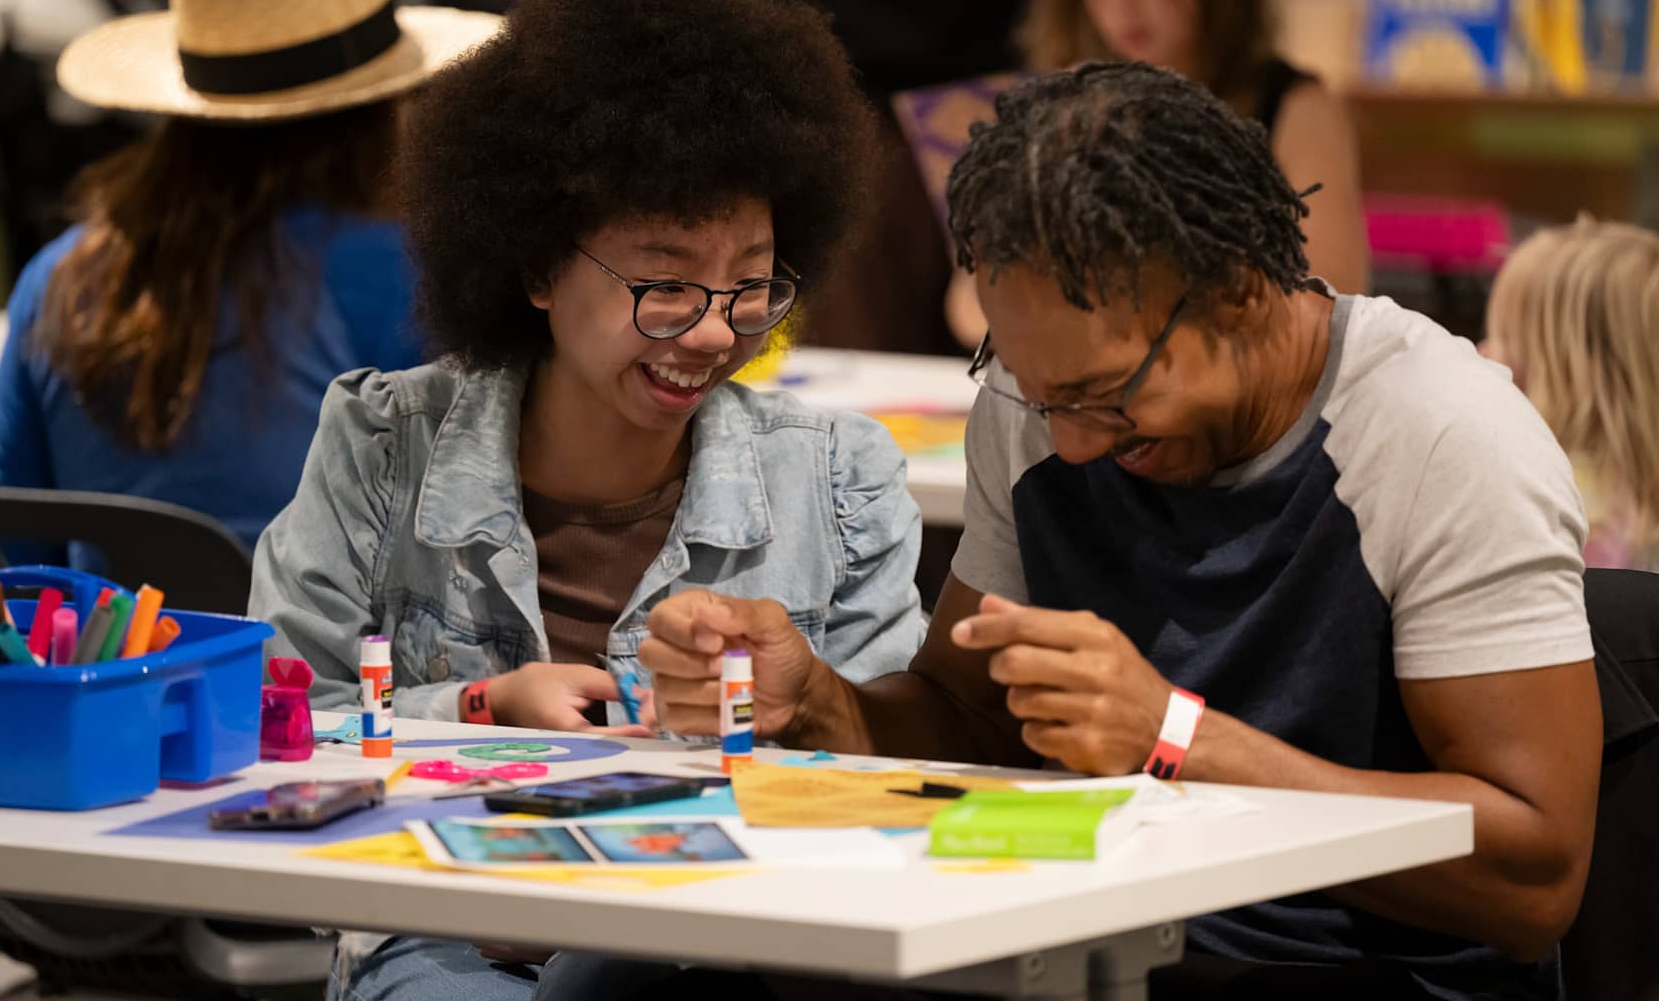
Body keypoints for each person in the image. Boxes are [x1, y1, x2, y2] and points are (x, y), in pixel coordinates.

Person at [644, 63, 1600, 1001]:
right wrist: (814, 703)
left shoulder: (1437, 435)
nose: (1068, 441)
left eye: (1106, 395)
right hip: (1077, 933)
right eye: (1030, 385)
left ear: (1238, 292)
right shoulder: (1036, 410)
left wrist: (1174, 741)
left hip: (1346, 969)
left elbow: (1535, 881)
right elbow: (973, 722)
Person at [247, 0, 924, 999]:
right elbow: (276, 730)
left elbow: (902, 788)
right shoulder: (385, 447)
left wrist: (795, 716)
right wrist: (477, 706)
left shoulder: (837, 481)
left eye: (752, 283)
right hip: (443, 931)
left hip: (725, 936)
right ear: (532, 266)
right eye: (662, 283)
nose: (711, 330)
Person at [0, 0, 501, 552]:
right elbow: (469, 531)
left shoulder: (60, 278)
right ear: (382, 108)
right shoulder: (406, 274)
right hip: (321, 653)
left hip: (109, 650)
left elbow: (14, 554)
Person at [946, 0, 1368, 349]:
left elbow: (1329, 299)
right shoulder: (1067, 110)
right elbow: (968, 305)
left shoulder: (1297, 109)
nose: (1119, 6)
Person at [1484, 217, 1659, 572]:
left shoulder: (1562, 509)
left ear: (1576, 373)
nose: (1483, 351)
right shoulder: (1636, 511)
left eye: (1504, 337)